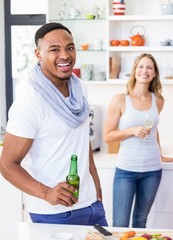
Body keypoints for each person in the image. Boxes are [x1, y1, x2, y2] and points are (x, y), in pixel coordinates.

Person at [0, 22, 108, 226]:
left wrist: (96, 185)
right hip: (54, 213)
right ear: (38, 54)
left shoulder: (79, 88)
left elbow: (82, 141)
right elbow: (7, 165)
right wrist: (47, 192)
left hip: (92, 204)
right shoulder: (31, 100)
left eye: (70, 47)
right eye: (54, 49)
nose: (65, 55)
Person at [103, 53, 173, 228]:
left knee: (140, 221)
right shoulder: (120, 100)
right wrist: (131, 131)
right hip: (126, 170)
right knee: (120, 224)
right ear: (134, 71)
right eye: (141, 66)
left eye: (149, 67)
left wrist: (161, 155)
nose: (144, 71)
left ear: (154, 74)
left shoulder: (158, 101)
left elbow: (153, 129)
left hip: (153, 170)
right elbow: (107, 136)